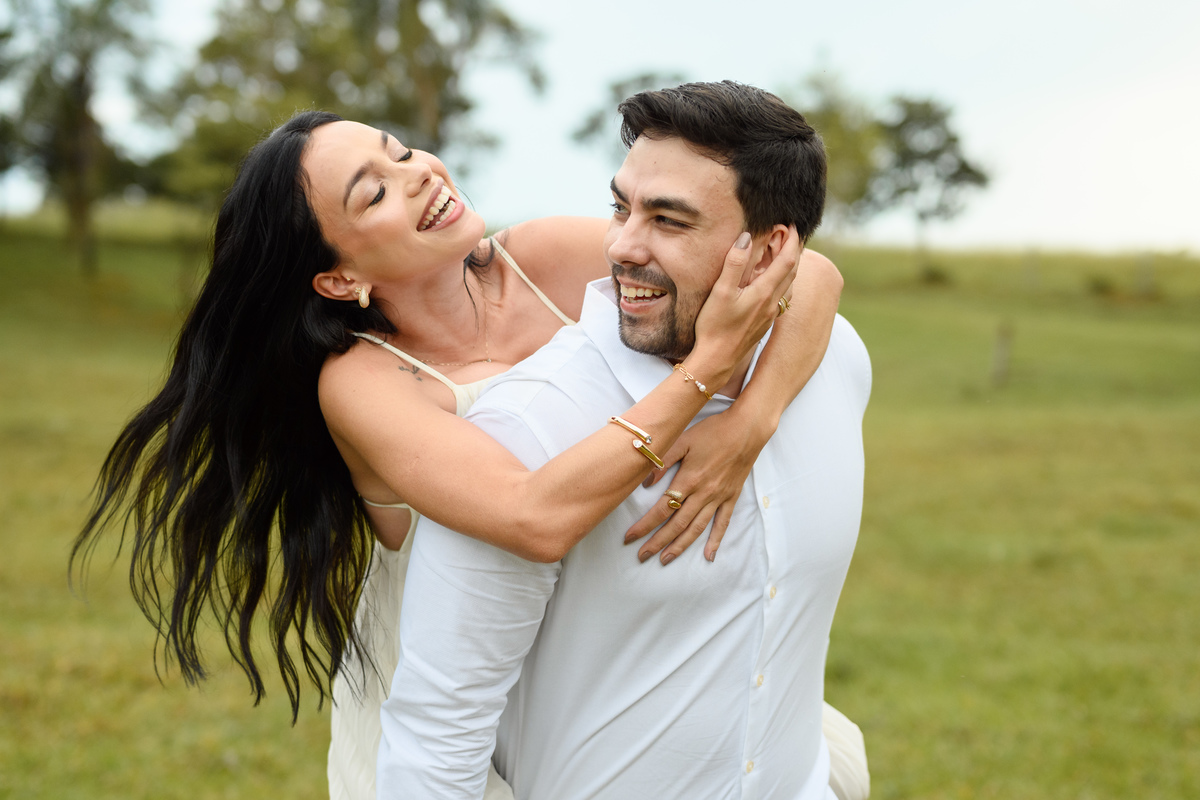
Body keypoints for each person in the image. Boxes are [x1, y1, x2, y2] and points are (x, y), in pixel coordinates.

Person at [70, 107, 845, 798]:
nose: (418, 175)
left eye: (401, 152)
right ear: (339, 278)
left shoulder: (543, 257)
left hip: (579, 651)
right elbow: (531, 516)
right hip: (456, 696)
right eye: (373, 193)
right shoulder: (363, 383)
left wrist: (749, 423)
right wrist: (707, 369)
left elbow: (806, 271)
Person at [378, 81, 872, 800]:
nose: (620, 245)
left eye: (668, 220)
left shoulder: (835, 360)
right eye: (621, 207)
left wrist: (751, 419)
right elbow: (435, 735)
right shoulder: (530, 427)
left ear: (771, 250)